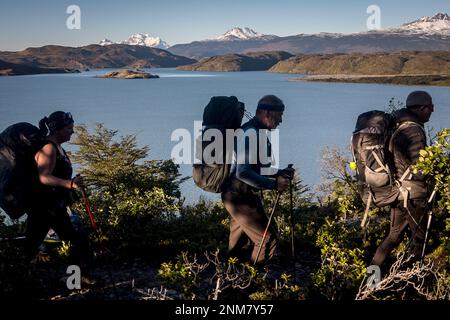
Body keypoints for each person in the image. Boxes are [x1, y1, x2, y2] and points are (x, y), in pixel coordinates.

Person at [221, 95, 293, 265]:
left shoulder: (254, 130)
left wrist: (278, 173)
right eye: (279, 115)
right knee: (267, 239)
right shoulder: (251, 133)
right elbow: (243, 172)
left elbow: (254, 168)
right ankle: (254, 285)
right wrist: (274, 184)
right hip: (239, 197)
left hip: (235, 194)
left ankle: (228, 280)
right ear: (267, 114)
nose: (281, 121)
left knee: (239, 242)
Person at [371, 91, 434, 266]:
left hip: (397, 192)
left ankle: (370, 280)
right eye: (430, 107)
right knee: (419, 241)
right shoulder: (414, 130)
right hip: (413, 195)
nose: (432, 111)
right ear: (422, 108)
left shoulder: (396, 126)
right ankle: (410, 284)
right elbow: (419, 167)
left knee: (392, 238)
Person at [25, 111, 92, 270]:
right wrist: (70, 184)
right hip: (44, 207)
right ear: (58, 129)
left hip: (54, 206)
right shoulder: (49, 148)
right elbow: (44, 177)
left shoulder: (57, 147)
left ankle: (77, 279)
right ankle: (15, 282)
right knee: (31, 246)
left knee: (76, 240)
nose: (72, 132)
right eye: (69, 128)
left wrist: (72, 182)